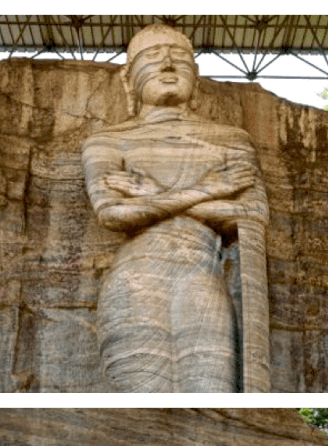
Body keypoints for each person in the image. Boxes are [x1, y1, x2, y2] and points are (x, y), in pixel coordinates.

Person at [83, 24, 268, 391]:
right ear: (128, 80)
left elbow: (254, 215)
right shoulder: (107, 141)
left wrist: (153, 195)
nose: (168, 65)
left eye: (180, 58)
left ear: (195, 77)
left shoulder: (230, 139)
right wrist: (208, 189)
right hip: (136, 280)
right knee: (145, 403)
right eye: (152, 57)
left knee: (214, 393)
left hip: (202, 273)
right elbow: (111, 213)